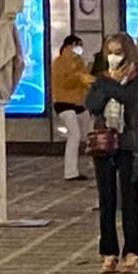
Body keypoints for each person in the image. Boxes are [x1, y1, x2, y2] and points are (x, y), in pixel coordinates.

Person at [86, 32, 138, 274]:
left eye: (118, 53)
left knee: (129, 199)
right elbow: (92, 105)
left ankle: (132, 251)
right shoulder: (101, 79)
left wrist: (107, 85)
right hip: (103, 143)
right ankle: (108, 252)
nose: (113, 58)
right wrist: (107, 84)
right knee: (106, 200)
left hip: (128, 144)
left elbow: (132, 102)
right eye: (110, 53)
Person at [51, 35, 93, 181]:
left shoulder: (79, 62)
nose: (80, 48)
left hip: (79, 104)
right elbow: (64, 83)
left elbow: (85, 81)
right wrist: (78, 76)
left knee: (90, 133)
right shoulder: (59, 62)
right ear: (69, 46)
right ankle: (70, 172)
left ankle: (93, 162)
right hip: (63, 103)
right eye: (77, 45)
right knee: (74, 135)